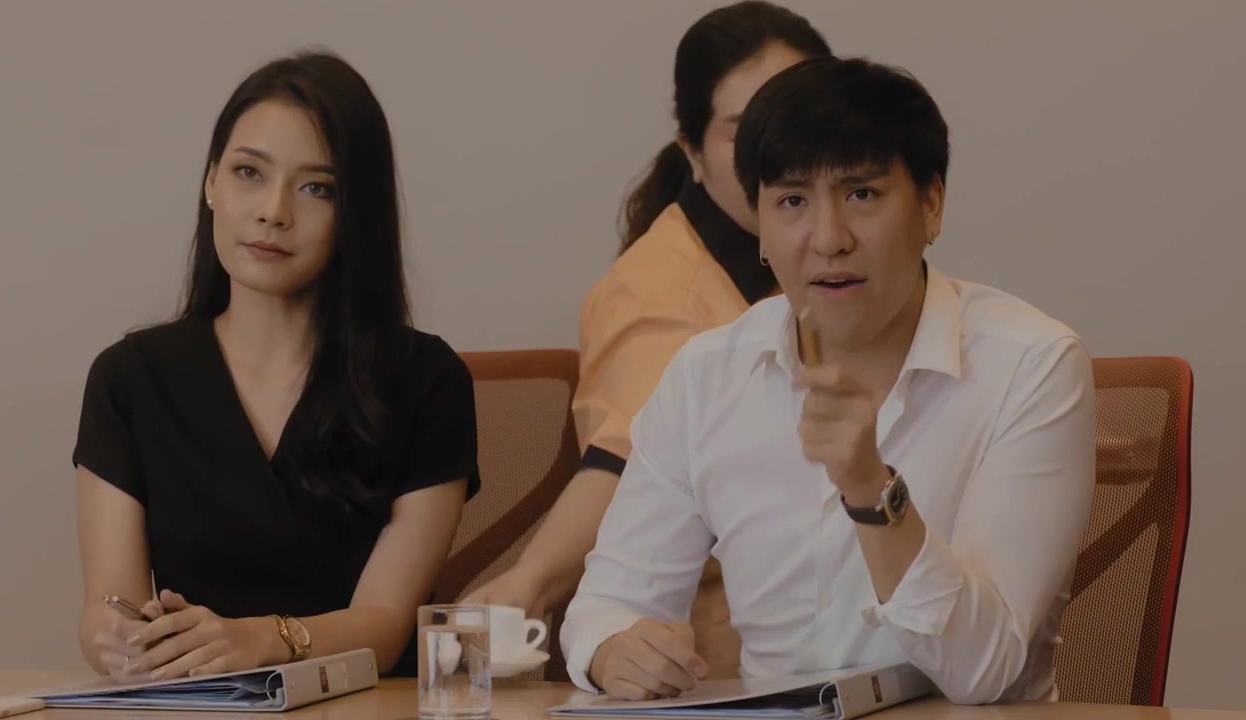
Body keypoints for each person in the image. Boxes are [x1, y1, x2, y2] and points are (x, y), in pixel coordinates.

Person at [559, 55, 1097, 704]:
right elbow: (607, 605)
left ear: (931, 206)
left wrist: (871, 489)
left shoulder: (1031, 365)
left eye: (861, 195)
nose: (828, 238)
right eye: (792, 201)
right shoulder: (707, 375)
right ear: (759, 226)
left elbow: (983, 671)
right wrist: (614, 651)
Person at [72, 50, 479, 683]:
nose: (273, 211)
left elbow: (385, 622)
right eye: (248, 172)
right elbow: (108, 605)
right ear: (211, 182)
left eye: (317, 188)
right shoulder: (128, 379)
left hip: (366, 706)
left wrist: (261, 639)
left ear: (357, 213)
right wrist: (117, 637)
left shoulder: (426, 381)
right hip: (198, 707)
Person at [463, 1, 832, 680]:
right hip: (733, 669)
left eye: (802, 121)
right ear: (693, 153)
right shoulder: (663, 292)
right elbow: (628, 457)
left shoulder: (837, 270)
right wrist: (534, 581)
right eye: (745, 132)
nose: (778, 152)